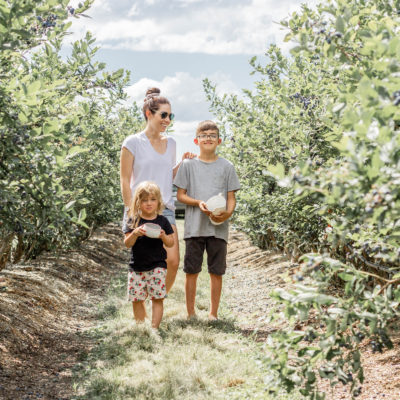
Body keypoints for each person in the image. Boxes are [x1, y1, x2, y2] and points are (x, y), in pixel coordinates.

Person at [120, 87, 195, 293]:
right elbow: (125, 180)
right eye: (163, 115)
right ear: (148, 114)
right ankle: (141, 299)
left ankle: (158, 299)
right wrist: (130, 211)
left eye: (170, 116)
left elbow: (168, 175)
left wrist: (183, 163)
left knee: (172, 261)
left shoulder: (171, 143)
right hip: (140, 209)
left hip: (165, 208)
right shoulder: (132, 142)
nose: (167, 120)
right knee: (144, 262)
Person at [173, 120, 240, 320]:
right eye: (204, 135)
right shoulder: (188, 165)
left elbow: (231, 198)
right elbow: (181, 196)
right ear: (196, 140)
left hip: (218, 228)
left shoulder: (227, 166)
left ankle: (213, 314)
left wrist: (228, 213)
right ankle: (191, 313)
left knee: (216, 271)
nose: (208, 138)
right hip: (194, 227)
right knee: (191, 270)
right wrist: (198, 203)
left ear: (219, 140)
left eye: (212, 135)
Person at [123, 181, 174, 329]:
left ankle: (154, 328)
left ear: (158, 202)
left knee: (157, 298)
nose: (149, 203)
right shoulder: (133, 220)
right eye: (144, 200)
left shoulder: (162, 221)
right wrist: (135, 233)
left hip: (157, 265)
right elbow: (127, 243)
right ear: (137, 203)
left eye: (152, 199)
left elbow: (170, 243)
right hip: (136, 267)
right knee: (137, 299)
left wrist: (163, 236)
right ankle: (141, 327)